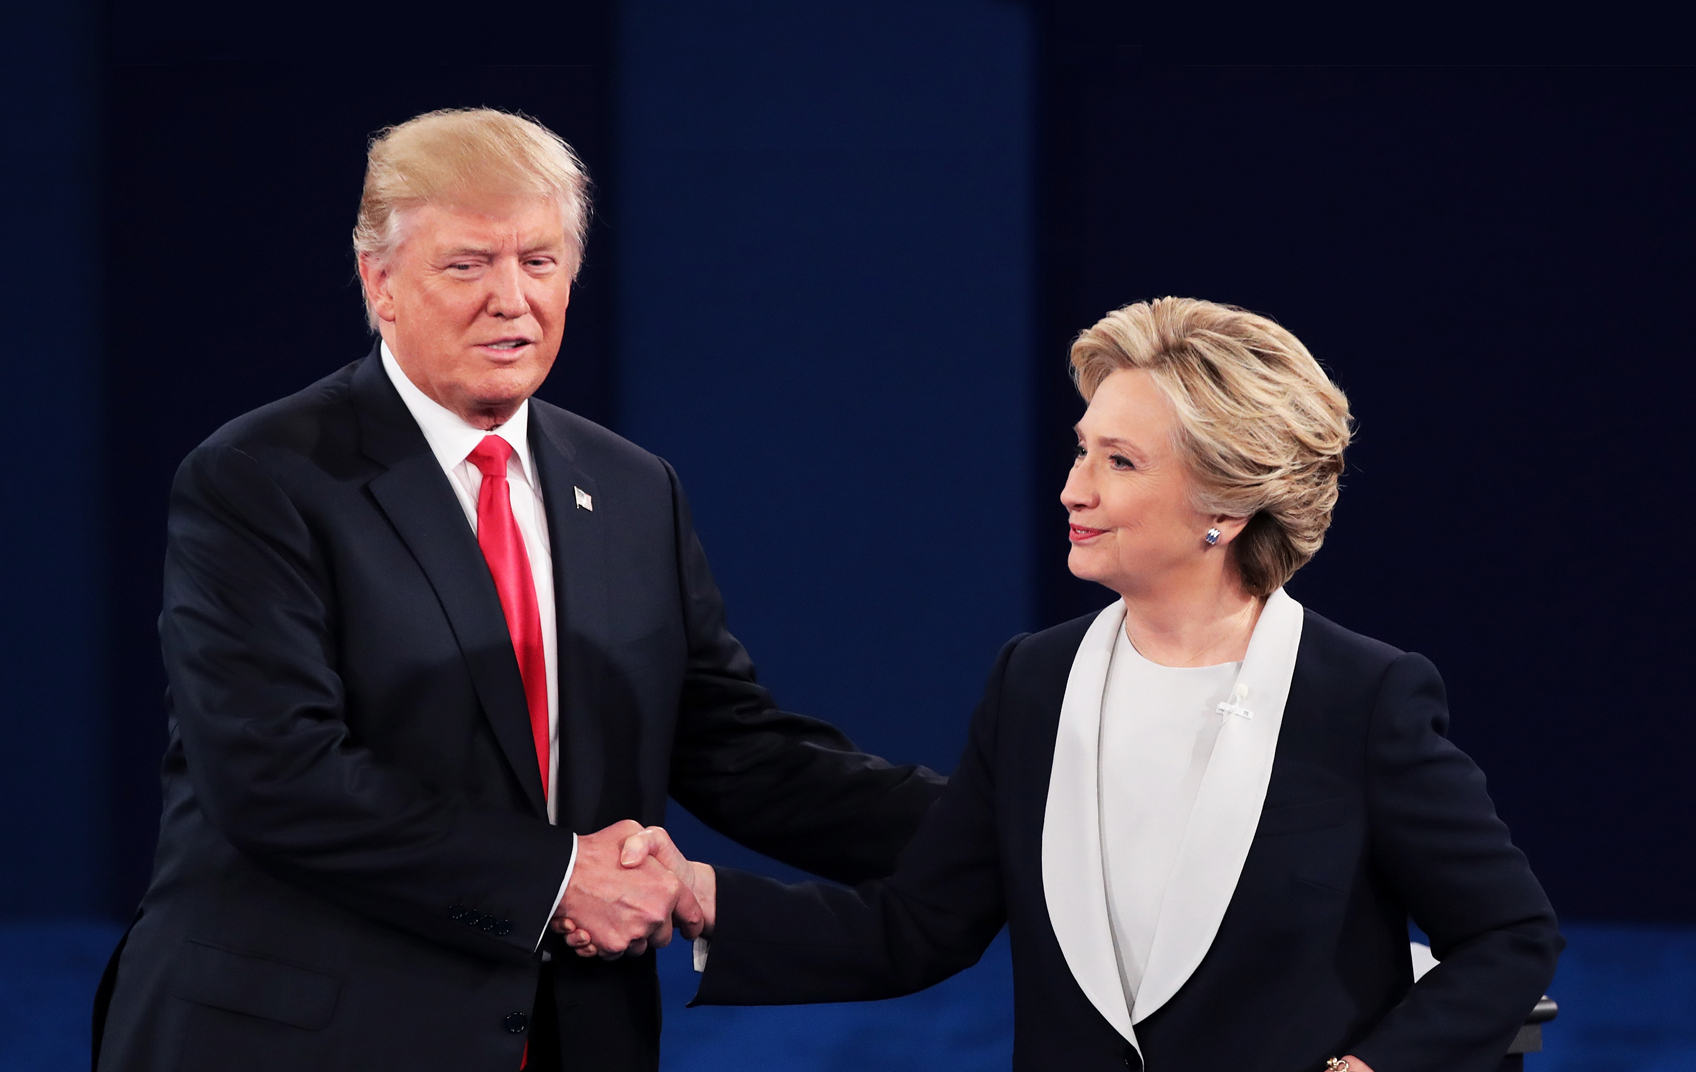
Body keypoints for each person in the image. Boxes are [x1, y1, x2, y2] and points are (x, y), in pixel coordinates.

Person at [91, 108, 944, 1072]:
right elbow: (276, 777)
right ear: (380, 283)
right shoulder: (262, 475)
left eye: (539, 262)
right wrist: (559, 880)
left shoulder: (629, 486)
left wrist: (1011, 825)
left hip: (565, 1035)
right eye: (468, 265)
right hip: (307, 1036)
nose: (512, 300)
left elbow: (732, 748)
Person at [606, 298, 1563, 1071]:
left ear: (1225, 502)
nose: (1074, 487)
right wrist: (702, 894)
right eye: (1081, 449)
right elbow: (916, 929)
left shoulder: (1361, 696)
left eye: (1119, 461)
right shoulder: (1036, 679)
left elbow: (1510, 935)